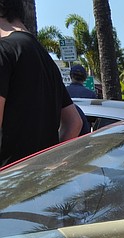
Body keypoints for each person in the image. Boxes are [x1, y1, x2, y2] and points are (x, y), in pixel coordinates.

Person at [0, 0, 81, 167]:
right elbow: (74, 122)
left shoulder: (4, 51)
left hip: (9, 182)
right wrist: (47, 161)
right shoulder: (45, 57)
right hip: (39, 182)